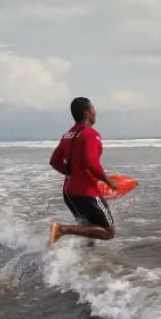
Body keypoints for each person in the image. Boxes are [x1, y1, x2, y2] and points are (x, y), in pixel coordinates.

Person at [47, 97, 117, 247]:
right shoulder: (90, 134)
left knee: (87, 229)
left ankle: (84, 262)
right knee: (108, 231)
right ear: (86, 113)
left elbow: (54, 160)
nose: (95, 112)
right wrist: (108, 180)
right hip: (87, 193)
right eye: (93, 109)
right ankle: (61, 230)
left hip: (69, 193)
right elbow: (91, 161)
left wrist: (68, 172)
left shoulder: (68, 135)